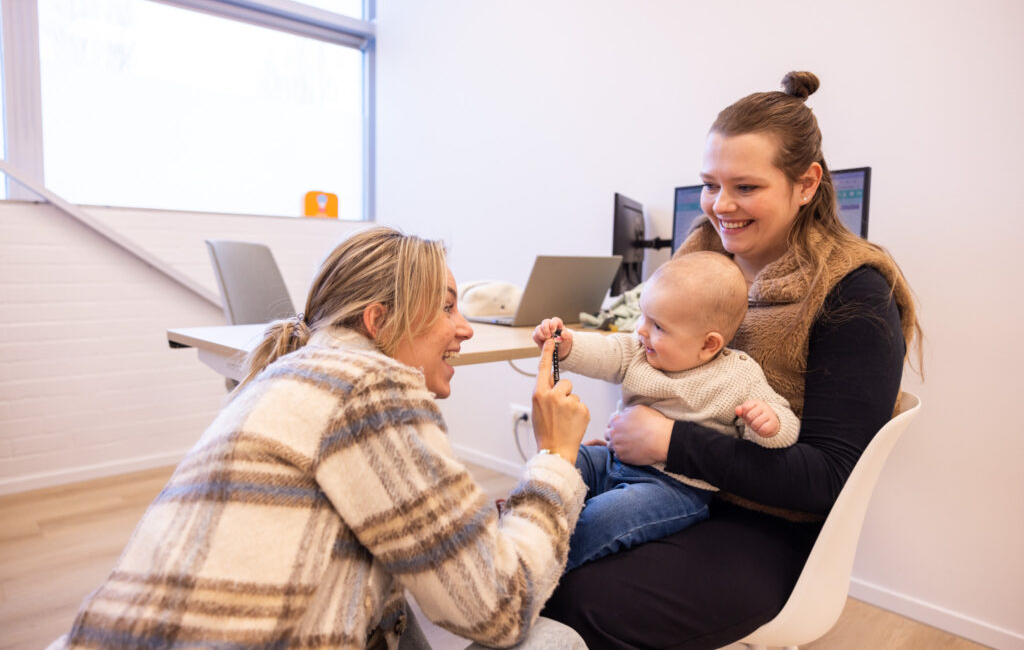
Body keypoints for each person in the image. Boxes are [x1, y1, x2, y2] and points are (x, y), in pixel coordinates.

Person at [57, 226, 591, 650]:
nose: (466, 327)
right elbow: (500, 610)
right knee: (554, 640)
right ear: (379, 321)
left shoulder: (290, 372)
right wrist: (555, 458)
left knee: (398, 603)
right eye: (447, 307)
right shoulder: (370, 387)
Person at [542, 71, 923, 649]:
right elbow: (642, 357)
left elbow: (829, 479)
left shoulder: (854, 294)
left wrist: (671, 442)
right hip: (661, 478)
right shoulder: (700, 254)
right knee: (536, 528)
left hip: (769, 525)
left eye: (745, 187)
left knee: (578, 596)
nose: (721, 206)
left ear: (806, 184)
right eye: (709, 184)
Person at [532, 252, 799, 570]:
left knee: (602, 517)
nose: (641, 330)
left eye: (657, 325)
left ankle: (540, 565)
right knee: (562, 461)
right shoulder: (639, 350)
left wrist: (768, 422)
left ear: (708, 345)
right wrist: (568, 347)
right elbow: (607, 351)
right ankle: (526, 522)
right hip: (614, 460)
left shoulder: (740, 376)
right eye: (643, 317)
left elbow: (786, 426)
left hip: (674, 489)